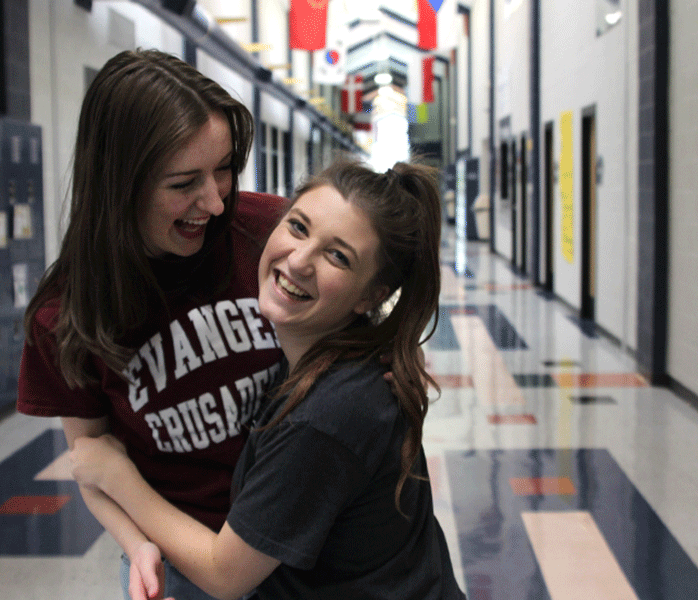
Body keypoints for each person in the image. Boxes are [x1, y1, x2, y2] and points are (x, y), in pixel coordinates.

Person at [70, 160, 467, 600]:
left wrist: (117, 475)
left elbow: (225, 575)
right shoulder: (327, 361)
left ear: (372, 295)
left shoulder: (328, 414)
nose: (299, 261)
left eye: (338, 256)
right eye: (298, 227)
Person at [16, 48, 287, 600]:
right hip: (180, 557)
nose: (213, 202)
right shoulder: (66, 314)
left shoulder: (270, 232)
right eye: (183, 182)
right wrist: (137, 545)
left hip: (302, 543)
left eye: (225, 169)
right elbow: (93, 461)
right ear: (120, 184)